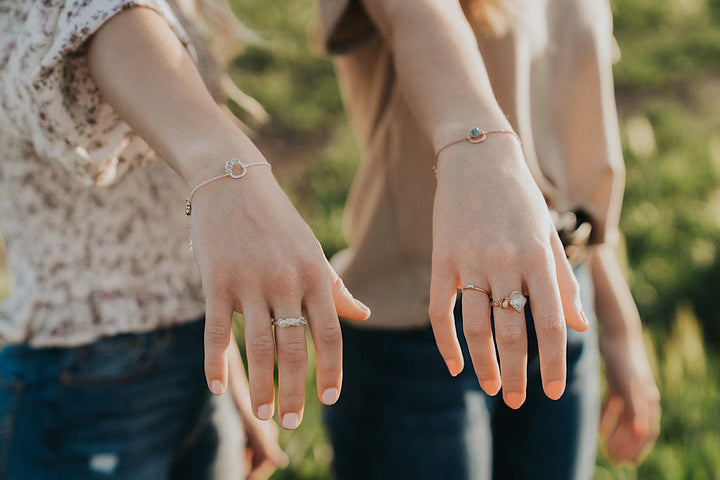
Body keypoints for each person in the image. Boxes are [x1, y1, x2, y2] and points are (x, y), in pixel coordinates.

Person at [0, 0, 371, 478]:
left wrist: (226, 364)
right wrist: (227, 171)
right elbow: (95, 20)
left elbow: (166, 203)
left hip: (196, 359)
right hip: (77, 381)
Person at [319, 0, 661, 478]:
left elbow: (564, 155)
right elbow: (415, 15)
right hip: (424, 327)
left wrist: (619, 323)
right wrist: (478, 140)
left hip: (561, 294)